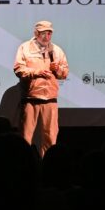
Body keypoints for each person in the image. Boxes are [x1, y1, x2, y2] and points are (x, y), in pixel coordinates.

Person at [14, 20, 69, 156]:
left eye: (49, 33)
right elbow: (18, 69)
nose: (47, 36)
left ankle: (49, 164)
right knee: (25, 137)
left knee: (51, 138)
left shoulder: (56, 50)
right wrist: (36, 72)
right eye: (43, 33)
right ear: (36, 33)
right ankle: (25, 163)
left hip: (50, 98)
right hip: (30, 98)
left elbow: (64, 73)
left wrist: (58, 69)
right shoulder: (25, 48)